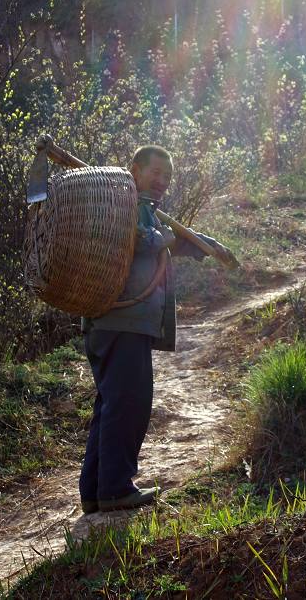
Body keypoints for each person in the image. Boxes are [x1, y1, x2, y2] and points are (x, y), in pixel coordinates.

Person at [79, 145, 229, 513]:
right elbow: (145, 241)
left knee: (113, 402)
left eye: (168, 176)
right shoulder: (121, 205)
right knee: (128, 403)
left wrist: (203, 246)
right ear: (135, 169)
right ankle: (115, 489)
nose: (162, 182)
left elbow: (159, 245)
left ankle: (96, 491)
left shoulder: (141, 208)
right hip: (121, 322)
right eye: (156, 172)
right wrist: (165, 235)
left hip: (116, 323)